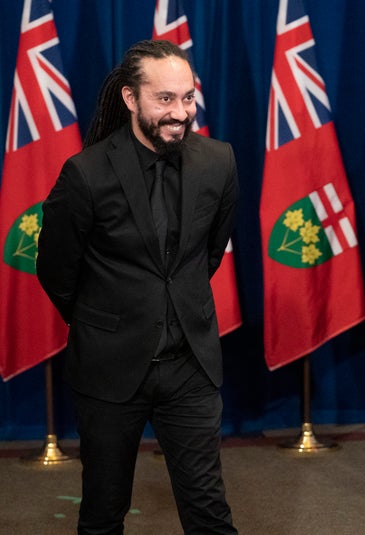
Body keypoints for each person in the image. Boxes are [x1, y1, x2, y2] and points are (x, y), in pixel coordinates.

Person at [36, 40, 238, 534]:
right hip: (110, 370)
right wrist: (109, 320)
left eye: (187, 98)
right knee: (103, 513)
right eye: (164, 99)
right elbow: (56, 270)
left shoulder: (218, 161)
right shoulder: (85, 173)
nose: (180, 112)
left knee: (210, 513)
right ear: (130, 98)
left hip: (190, 366)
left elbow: (205, 256)